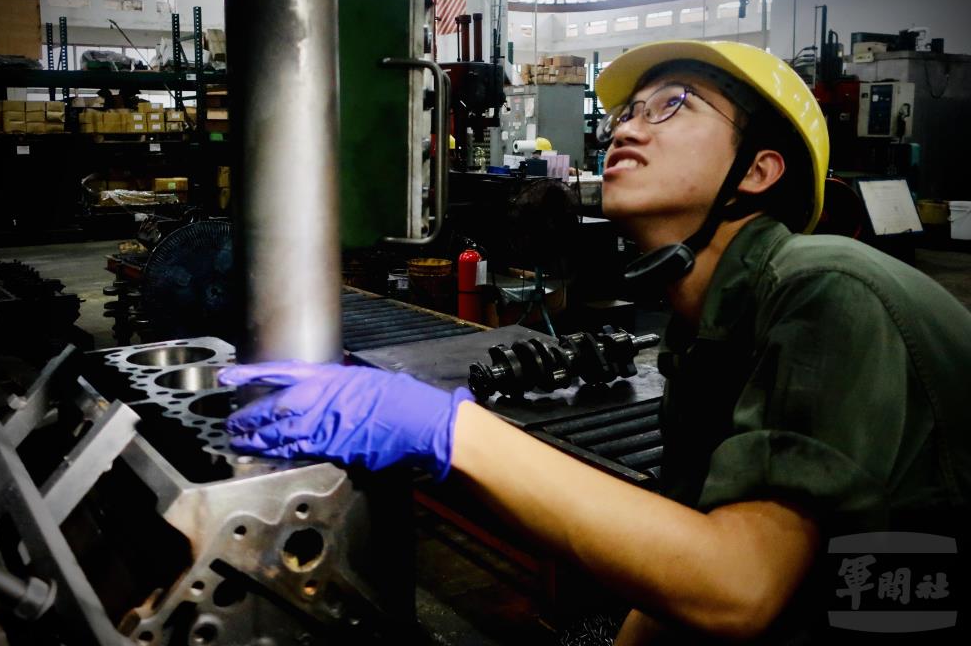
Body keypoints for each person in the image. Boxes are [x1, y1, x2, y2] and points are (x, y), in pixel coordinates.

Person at [219, 41, 971, 643]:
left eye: (673, 105)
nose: (627, 126)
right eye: (628, 111)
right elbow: (682, 569)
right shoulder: (703, 331)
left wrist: (445, 427)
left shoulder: (828, 287)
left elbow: (739, 588)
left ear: (760, 170)